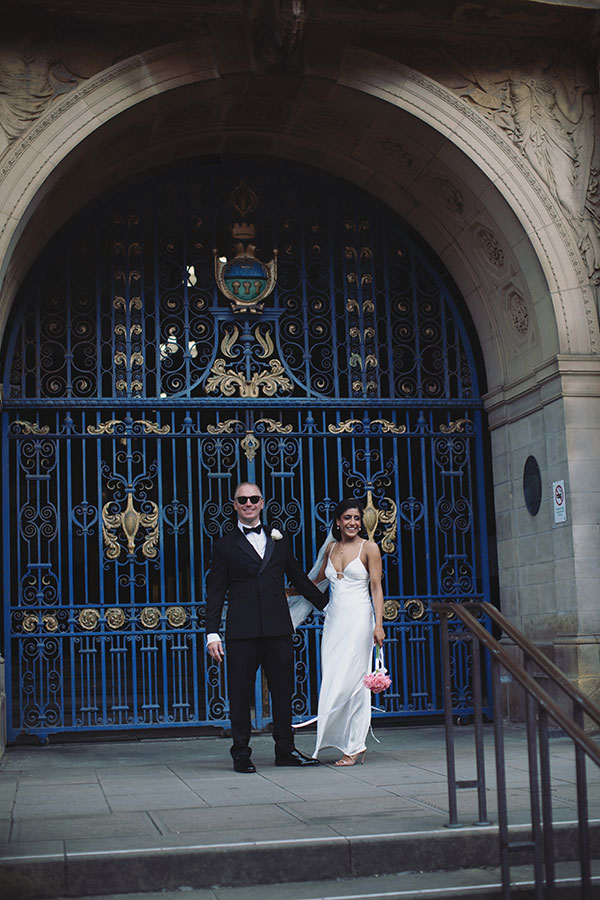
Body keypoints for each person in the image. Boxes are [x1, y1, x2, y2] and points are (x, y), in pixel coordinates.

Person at [205, 482, 328, 773]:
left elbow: (298, 578)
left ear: (262, 503)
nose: (248, 503)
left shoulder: (279, 539)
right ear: (234, 505)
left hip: (277, 628)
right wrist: (212, 633)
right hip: (242, 631)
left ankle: (285, 750)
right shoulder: (224, 545)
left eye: (254, 499)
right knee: (239, 694)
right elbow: (215, 592)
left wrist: (328, 607)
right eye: (242, 500)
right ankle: (241, 754)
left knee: (283, 692)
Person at [311, 499, 384, 766]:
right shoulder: (330, 549)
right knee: (333, 680)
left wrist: (379, 624)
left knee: (352, 683)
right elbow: (317, 581)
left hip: (359, 621)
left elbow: (376, 587)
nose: (353, 522)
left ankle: (354, 745)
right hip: (333, 622)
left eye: (356, 518)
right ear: (338, 521)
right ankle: (339, 741)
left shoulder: (369, 548)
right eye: (347, 518)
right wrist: (285, 590)